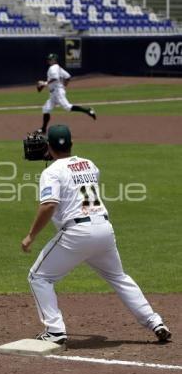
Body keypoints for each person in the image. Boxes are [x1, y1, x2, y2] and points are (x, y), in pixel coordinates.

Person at [21, 124, 171, 345]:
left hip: (77, 233)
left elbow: (49, 205)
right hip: (103, 230)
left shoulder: (51, 172)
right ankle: (155, 322)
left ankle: (54, 331)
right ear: (71, 144)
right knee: (119, 277)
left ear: (48, 147)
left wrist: (31, 235)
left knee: (38, 277)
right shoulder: (90, 165)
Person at [36, 53, 96, 134]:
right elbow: (68, 76)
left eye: (51, 59)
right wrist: (64, 86)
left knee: (67, 107)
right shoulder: (59, 68)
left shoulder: (53, 68)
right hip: (55, 92)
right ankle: (43, 129)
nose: (49, 60)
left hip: (57, 92)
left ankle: (88, 110)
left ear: (55, 60)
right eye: (49, 59)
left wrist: (45, 83)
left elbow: (55, 78)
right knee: (46, 109)